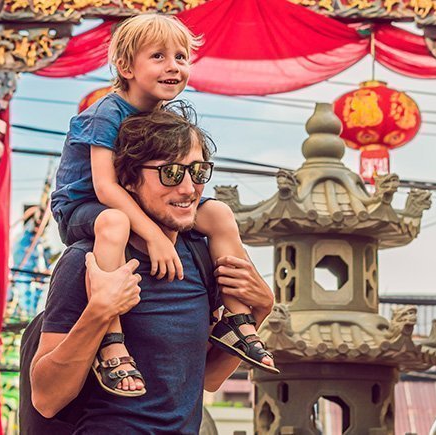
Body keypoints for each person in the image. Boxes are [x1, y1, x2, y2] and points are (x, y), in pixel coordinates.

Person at [49, 13, 277, 397]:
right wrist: (154, 235)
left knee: (218, 213)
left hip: (126, 205)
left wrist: (262, 304)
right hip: (83, 208)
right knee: (115, 223)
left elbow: (205, 382)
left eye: (181, 57)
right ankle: (111, 340)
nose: (173, 66)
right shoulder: (107, 113)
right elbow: (105, 188)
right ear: (125, 67)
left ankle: (237, 319)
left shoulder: (161, 118)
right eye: (158, 56)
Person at [32, 109, 275, 433]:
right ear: (129, 180)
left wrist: (260, 310)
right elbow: (46, 398)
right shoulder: (86, 261)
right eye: (171, 173)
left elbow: (209, 378)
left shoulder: (201, 259)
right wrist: (99, 312)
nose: (189, 189)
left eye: (198, 172)